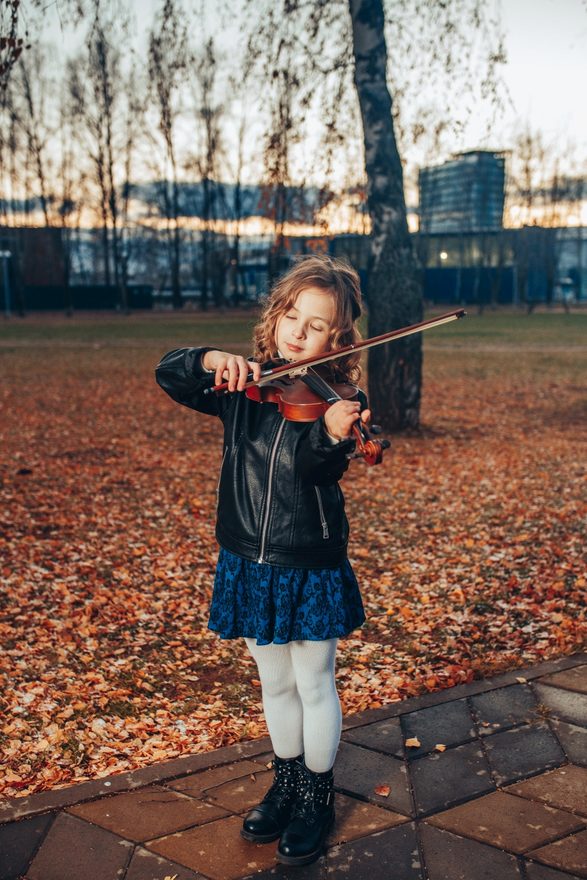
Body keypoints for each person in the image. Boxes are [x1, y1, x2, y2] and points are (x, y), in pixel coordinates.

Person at [155, 254, 370, 867]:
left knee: (314, 681)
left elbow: (314, 468)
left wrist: (331, 433)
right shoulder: (245, 390)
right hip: (248, 557)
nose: (299, 332)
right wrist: (205, 360)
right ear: (276, 317)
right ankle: (286, 782)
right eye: (292, 316)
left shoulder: (339, 401)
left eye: (318, 324)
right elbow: (169, 375)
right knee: (274, 682)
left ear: (339, 339)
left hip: (308, 561)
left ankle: (316, 798)